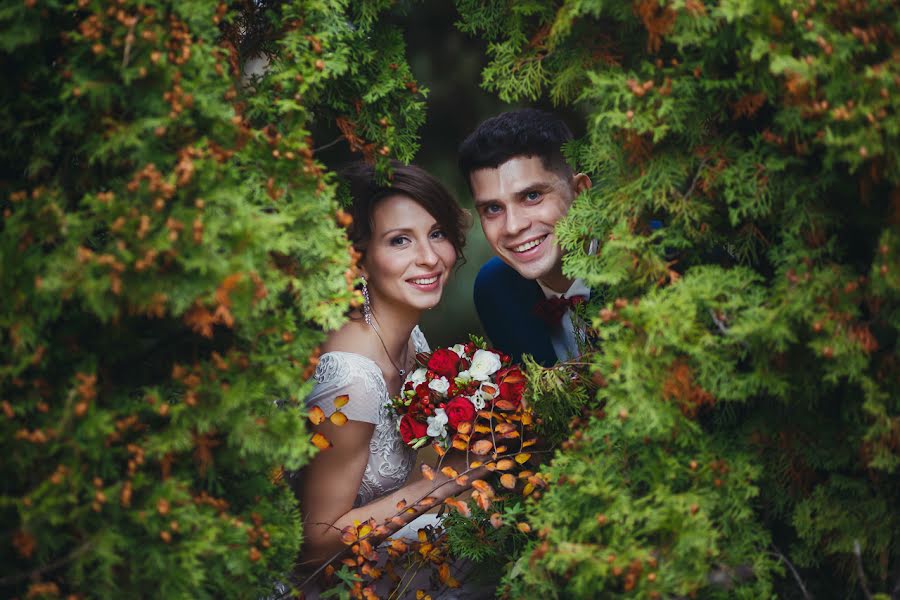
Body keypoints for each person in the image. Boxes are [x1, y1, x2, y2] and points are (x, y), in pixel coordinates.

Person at [287, 162, 476, 596]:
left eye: (437, 233)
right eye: (399, 241)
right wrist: (446, 481)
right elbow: (313, 545)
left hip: (362, 564)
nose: (429, 257)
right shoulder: (352, 377)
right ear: (360, 260)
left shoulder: (409, 341)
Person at [458, 109, 593, 366]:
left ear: (580, 193)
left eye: (532, 196)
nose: (513, 226)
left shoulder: (648, 260)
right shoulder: (495, 289)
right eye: (493, 208)